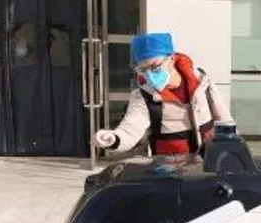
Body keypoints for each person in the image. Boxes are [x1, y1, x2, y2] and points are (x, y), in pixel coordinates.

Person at [94, 32, 232, 156]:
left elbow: (223, 116)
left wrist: (231, 148)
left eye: (154, 66)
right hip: (171, 165)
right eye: (143, 69)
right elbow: (131, 129)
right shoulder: (143, 95)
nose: (149, 74)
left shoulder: (200, 81)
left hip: (209, 158)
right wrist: (114, 139)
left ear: (171, 58)